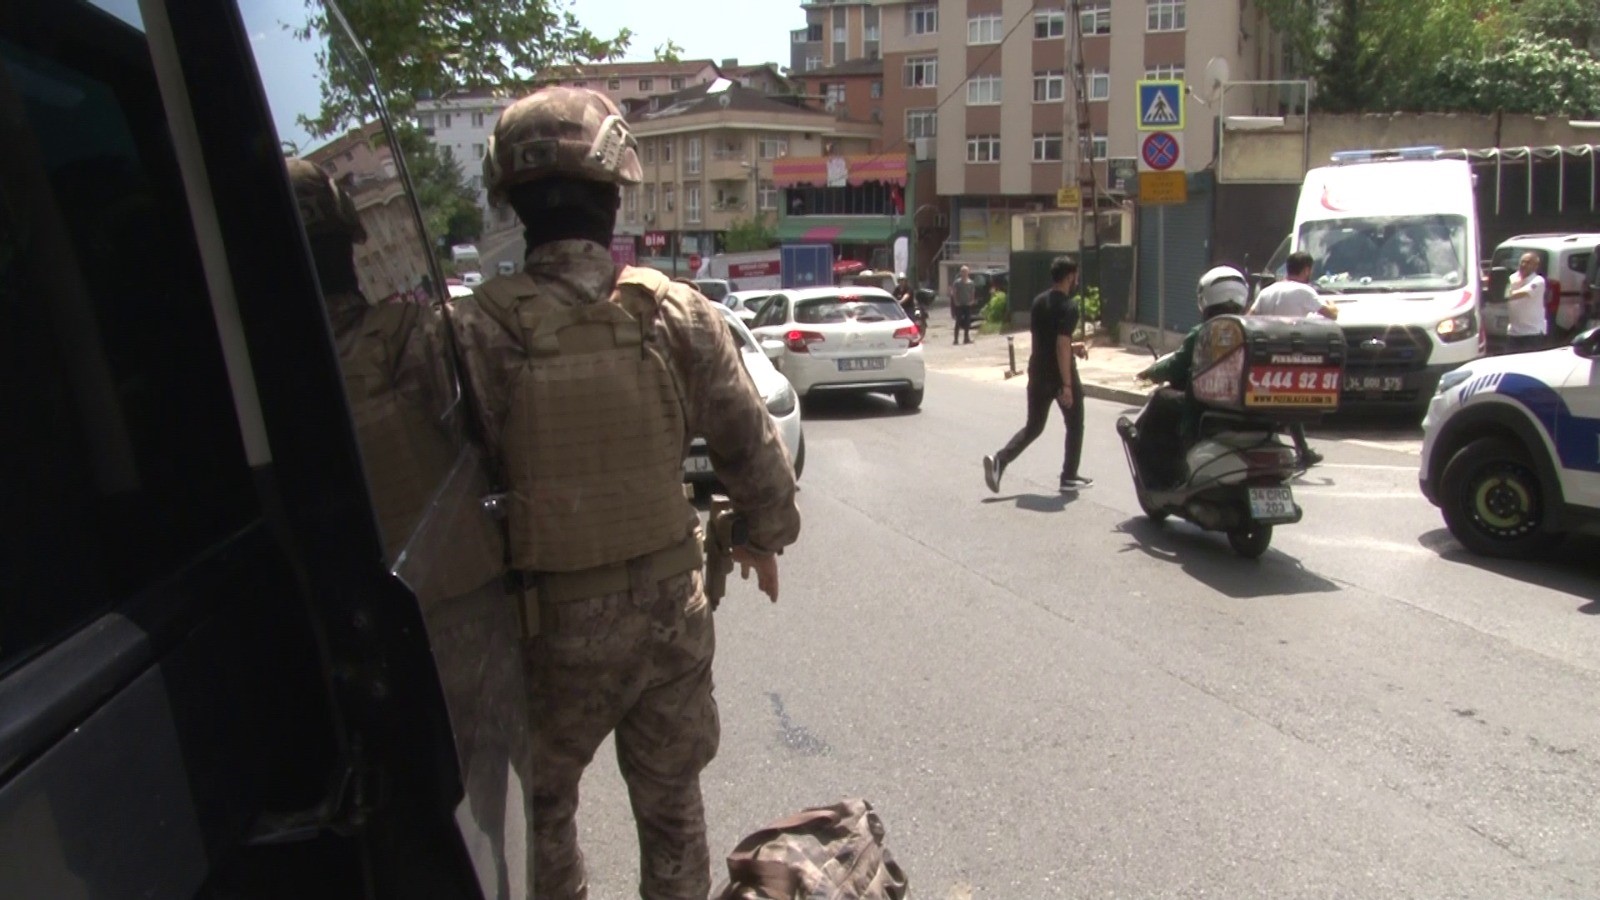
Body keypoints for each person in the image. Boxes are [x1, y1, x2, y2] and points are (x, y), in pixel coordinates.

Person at [447, 86, 802, 900]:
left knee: (543, 814)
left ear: (513, 206)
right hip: (668, 625)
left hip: (545, 635)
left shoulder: (472, 332)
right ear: (617, 195)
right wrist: (760, 533)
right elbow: (759, 461)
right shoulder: (678, 313)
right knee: (673, 810)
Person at [1130, 266, 1250, 487]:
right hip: (1244, 404)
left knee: (1161, 399)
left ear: (1205, 298)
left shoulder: (1204, 332)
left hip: (1208, 404)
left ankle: (1161, 474)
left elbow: (1177, 366)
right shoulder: (1251, 330)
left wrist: (1152, 373)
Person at [983, 255, 1092, 494]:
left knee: (1034, 427)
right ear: (1070, 277)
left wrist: (1074, 347)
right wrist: (1067, 385)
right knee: (1075, 424)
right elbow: (1061, 344)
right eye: (1076, 277)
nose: (1076, 281)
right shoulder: (1069, 307)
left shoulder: (1038, 302)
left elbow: (1046, 341)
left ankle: (1000, 461)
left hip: (1038, 372)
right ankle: (1069, 476)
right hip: (1059, 374)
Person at [1246, 251, 1332, 467]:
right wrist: (1332, 304)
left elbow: (1249, 318)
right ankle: (1301, 450)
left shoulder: (1268, 291)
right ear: (1306, 270)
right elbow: (1330, 314)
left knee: (1269, 399)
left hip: (1264, 353)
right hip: (1292, 353)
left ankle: (1280, 447)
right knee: (1291, 401)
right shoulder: (1304, 291)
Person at [1506, 251, 1548, 353]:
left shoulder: (1538, 281)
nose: (1524, 265)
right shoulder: (1511, 278)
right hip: (1514, 332)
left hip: (1532, 333)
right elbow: (1504, 292)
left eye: (1528, 262)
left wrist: (1507, 293)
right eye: (1522, 262)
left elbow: (1518, 294)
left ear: (1535, 266)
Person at [950, 265, 977, 344]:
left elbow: (972, 292)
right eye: (963, 272)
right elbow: (954, 292)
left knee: (967, 322)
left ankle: (966, 338)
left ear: (968, 272)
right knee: (958, 322)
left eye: (966, 272)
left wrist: (972, 300)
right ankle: (956, 339)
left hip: (967, 305)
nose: (964, 273)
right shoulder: (957, 282)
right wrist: (956, 302)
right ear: (961, 273)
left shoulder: (971, 282)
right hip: (959, 305)